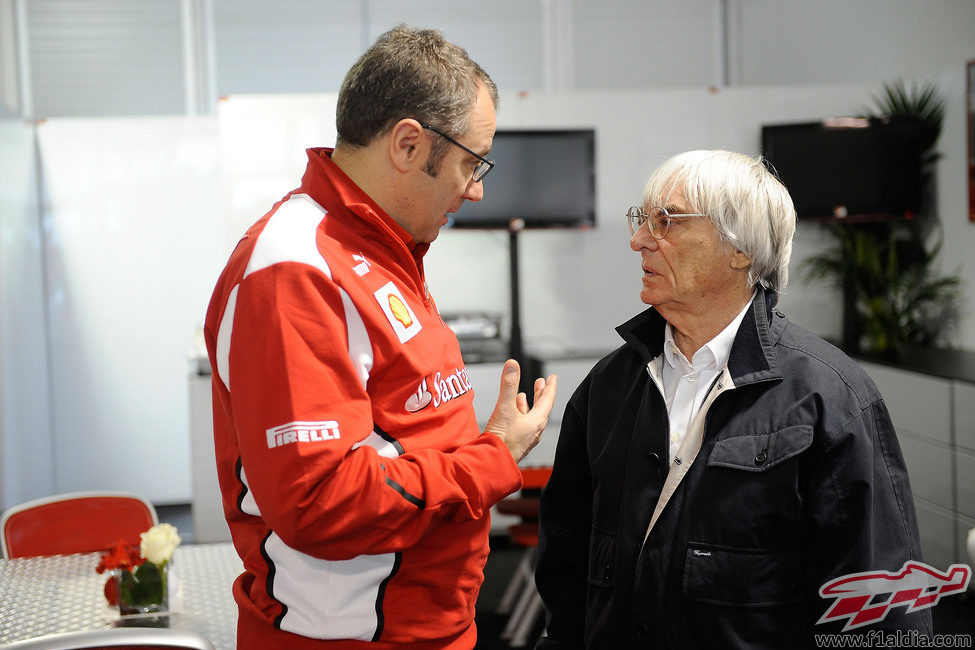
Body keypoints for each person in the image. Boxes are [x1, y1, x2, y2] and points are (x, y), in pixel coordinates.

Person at [204, 25, 557, 649]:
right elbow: (319, 500)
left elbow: (401, 437)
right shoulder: (294, 269)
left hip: (429, 628)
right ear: (408, 143)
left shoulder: (386, 251)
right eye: (471, 163)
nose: (476, 190)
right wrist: (492, 458)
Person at [534, 150, 932, 648]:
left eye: (667, 221)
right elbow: (566, 568)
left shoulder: (830, 396)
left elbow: (879, 605)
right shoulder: (608, 386)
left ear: (740, 249)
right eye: (642, 221)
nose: (638, 241)